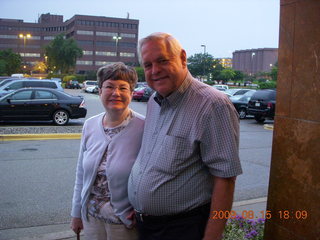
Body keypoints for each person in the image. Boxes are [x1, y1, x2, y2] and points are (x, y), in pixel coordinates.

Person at [128, 32, 242, 240]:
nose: (155, 71)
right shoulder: (154, 101)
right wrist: (139, 206)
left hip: (182, 229)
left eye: (162, 60)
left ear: (182, 58)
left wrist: (211, 237)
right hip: (146, 226)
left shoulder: (213, 105)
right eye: (148, 65)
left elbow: (225, 179)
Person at [71, 62, 144, 240]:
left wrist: (142, 208)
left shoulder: (144, 127)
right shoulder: (90, 125)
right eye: (109, 86)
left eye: (123, 88)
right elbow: (81, 173)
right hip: (91, 218)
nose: (115, 93)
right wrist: (76, 213)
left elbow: (151, 174)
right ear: (100, 91)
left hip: (124, 222)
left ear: (132, 93)